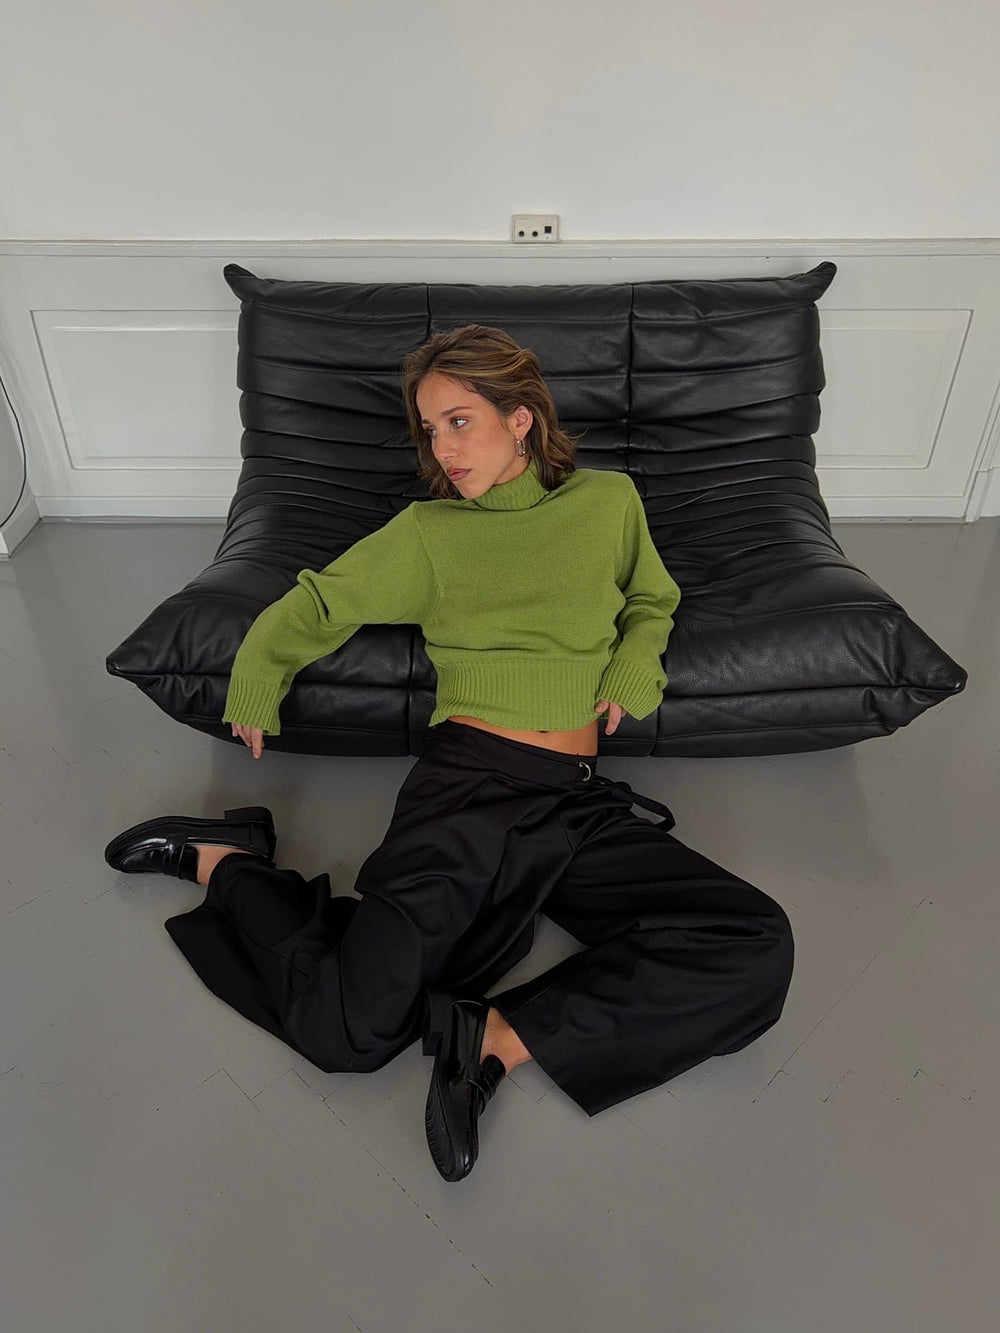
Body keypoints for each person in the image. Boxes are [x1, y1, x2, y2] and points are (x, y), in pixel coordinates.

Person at [105, 325, 794, 1183]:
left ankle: (496, 1036)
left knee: (756, 940)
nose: (443, 448)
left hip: (573, 802)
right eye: (430, 429)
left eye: (460, 421)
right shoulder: (430, 533)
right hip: (466, 791)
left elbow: (652, 597)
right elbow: (322, 600)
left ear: (521, 418)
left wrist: (633, 665)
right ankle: (227, 861)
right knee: (347, 1033)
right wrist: (256, 673)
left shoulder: (608, 502)